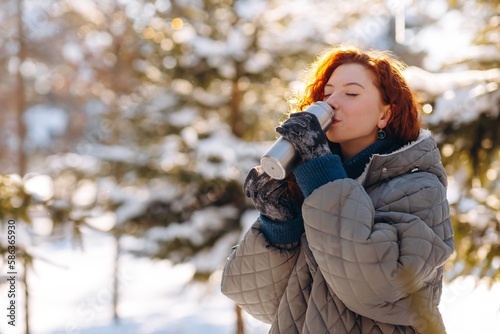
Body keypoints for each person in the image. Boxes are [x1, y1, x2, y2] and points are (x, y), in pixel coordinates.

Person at [221, 45, 454, 334]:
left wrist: (322, 176)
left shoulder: (419, 187)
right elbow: (261, 303)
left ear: (385, 114)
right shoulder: (312, 187)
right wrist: (279, 226)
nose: (331, 103)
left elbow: (375, 287)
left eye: (351, 93)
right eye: (327, 93)